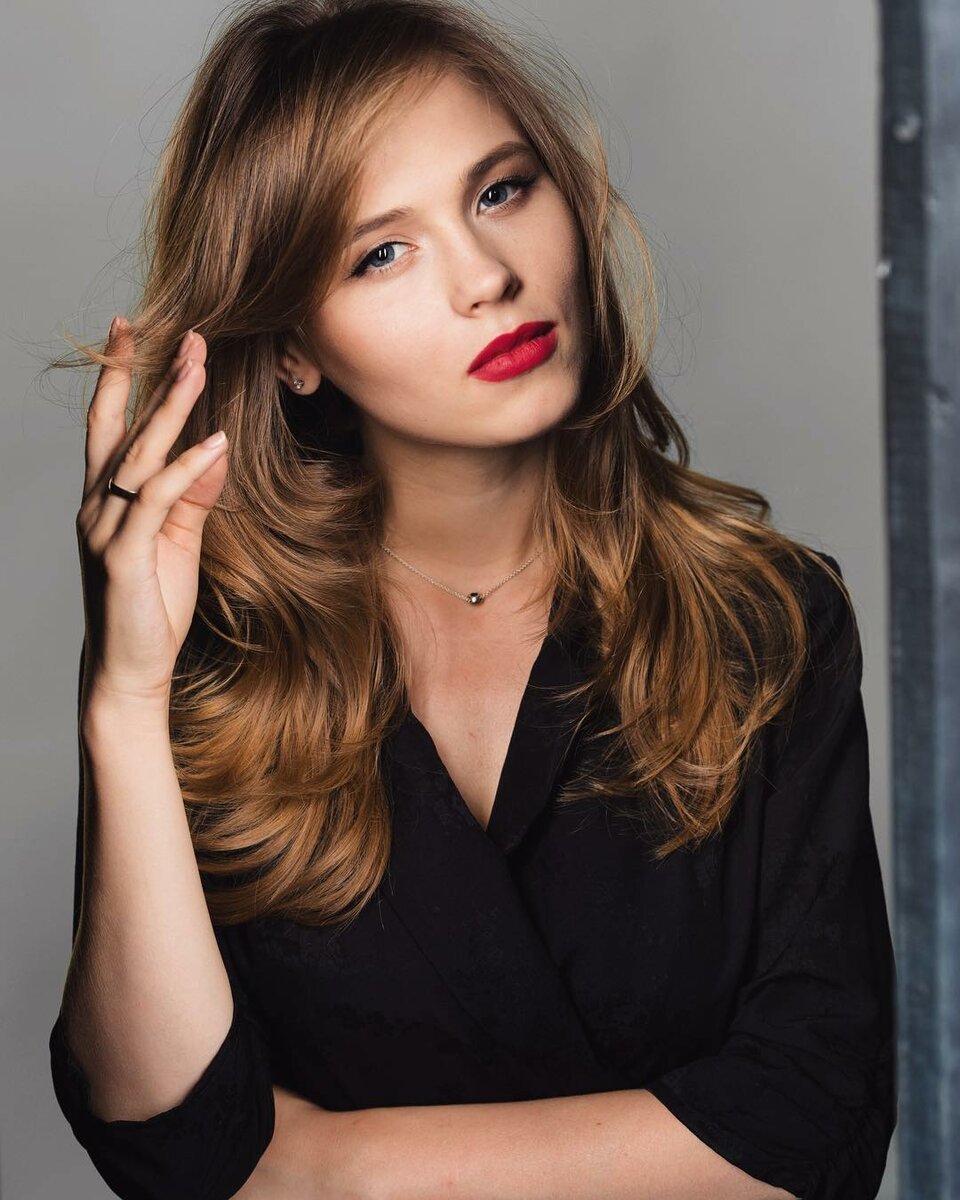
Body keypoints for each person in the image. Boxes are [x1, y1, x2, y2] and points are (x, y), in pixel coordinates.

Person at [46, 0, 897, 1197]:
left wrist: (328, 1173)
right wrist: (126, 699)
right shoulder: (211, 659)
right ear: (293, 348)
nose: (489, 277)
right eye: (381, 253)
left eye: (500, 191)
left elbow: (818, 1125)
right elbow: (168, 1139)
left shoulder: (765, 619)